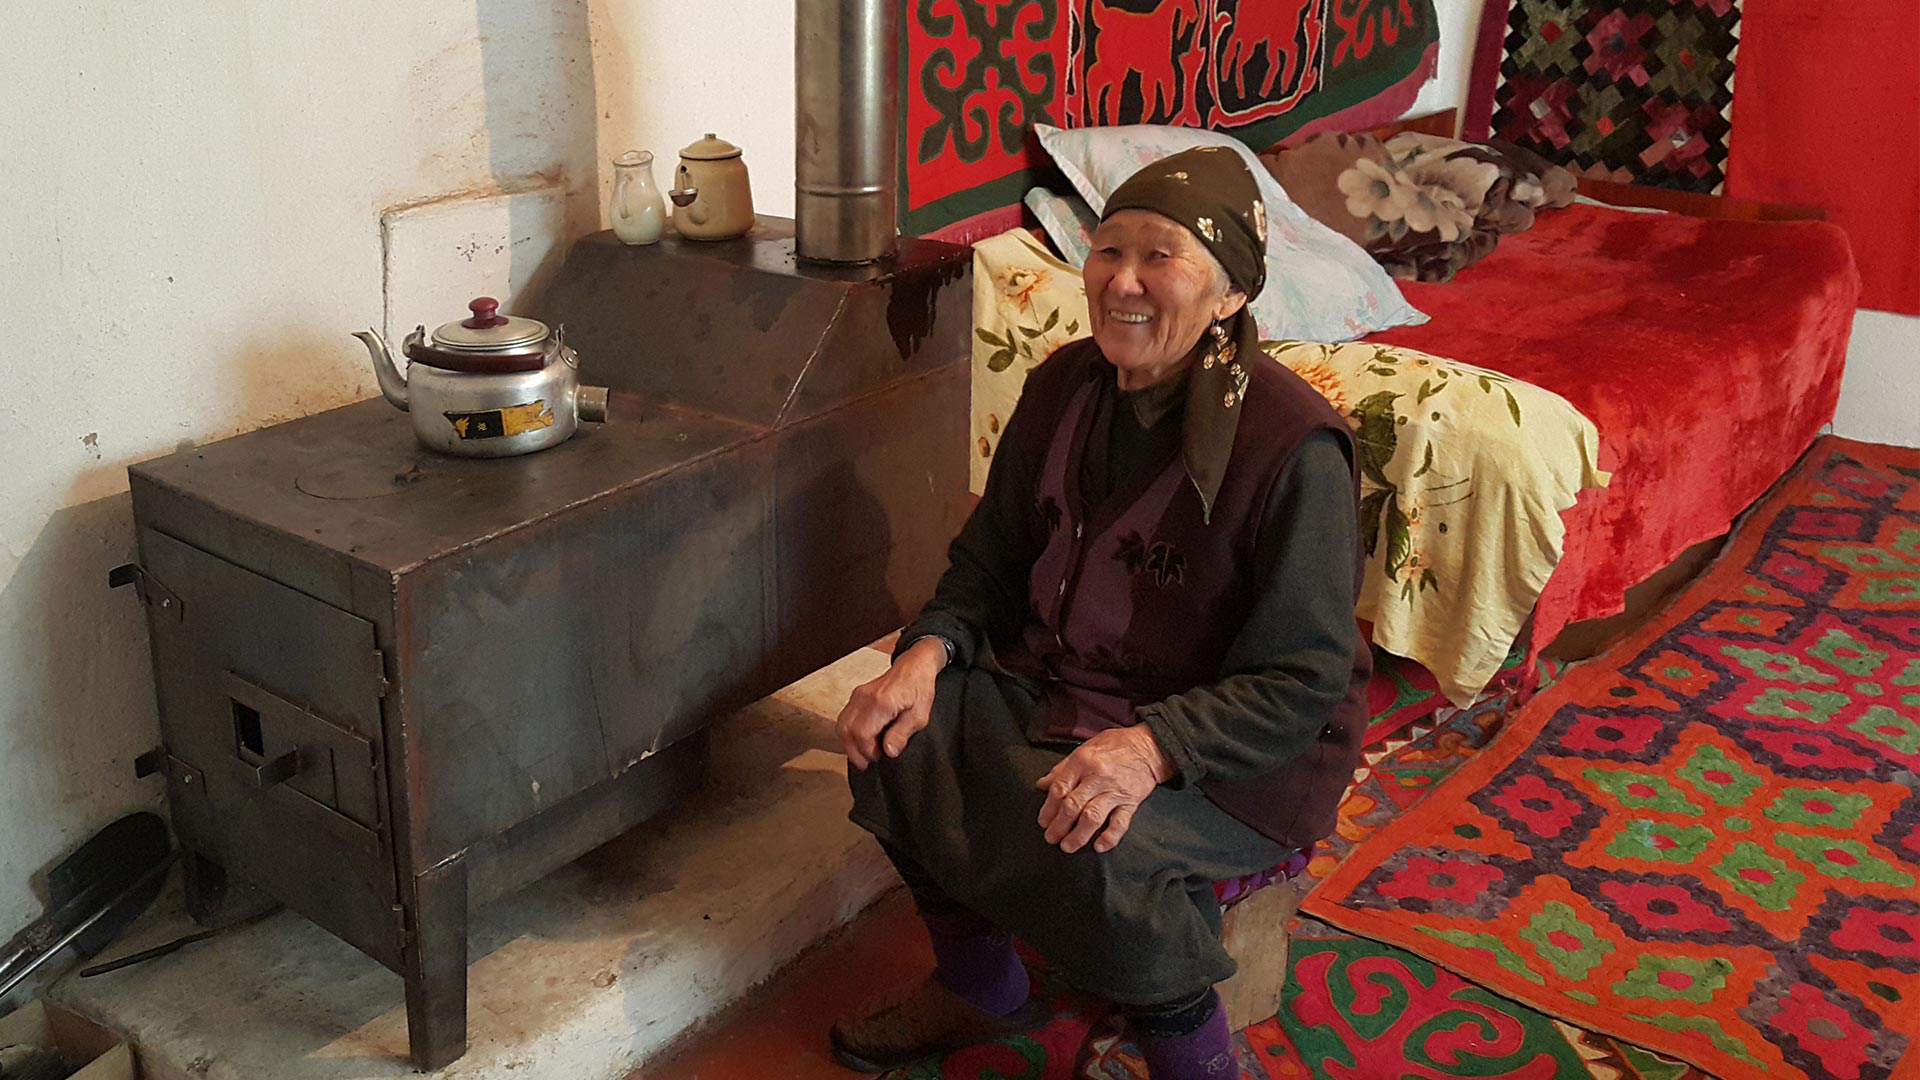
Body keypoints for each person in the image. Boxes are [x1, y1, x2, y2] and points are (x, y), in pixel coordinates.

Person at [831, 146, 1372, 1079]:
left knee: (1102, 850)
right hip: (1064, 685)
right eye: (1106, 250)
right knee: (895, 739)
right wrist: (922, 656)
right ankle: (980, 987)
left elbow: (1303, 679)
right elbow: (989, 562)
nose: (1122, 280)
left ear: (1232, 293)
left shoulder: (1292, 449)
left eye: (1160, 257)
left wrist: (1150, 750)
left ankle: (1195, 1062)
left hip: (1236, 754)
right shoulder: (1065, 387)